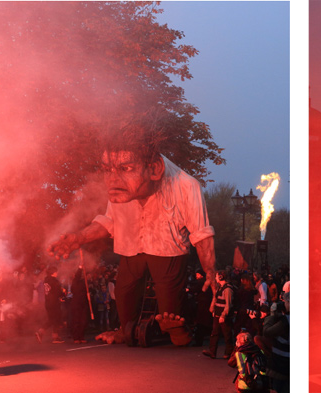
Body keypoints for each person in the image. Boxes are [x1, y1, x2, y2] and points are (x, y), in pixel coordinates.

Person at [47, 123, 216, 346]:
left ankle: (178, 331)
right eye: (108, 169)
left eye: (126, 169)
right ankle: (125, 329)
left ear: (154, 169)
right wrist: (78, 238)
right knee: (123, 291)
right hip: (130, 246)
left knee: (169, 304)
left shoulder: (186, 186)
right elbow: (109, 222)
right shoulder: (120, 192)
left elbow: (201, 234)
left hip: (168, 249)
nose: (113, 179)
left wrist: (211, 270)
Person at [203, 271, 234, 359]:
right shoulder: (220, 287)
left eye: (216, 276)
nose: (215, 278)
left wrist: (223, 315)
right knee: (214, 333)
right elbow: (216, 299)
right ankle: (212, 351)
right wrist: (213, 310)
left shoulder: (228, 289)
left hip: (224, 316)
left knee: (227, 334)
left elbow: (228, 304)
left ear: (220, 277)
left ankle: (228, 353)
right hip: (217, 314)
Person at [37, 266, 65, 344]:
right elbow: (58, 291)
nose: (57, 273)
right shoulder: (54, 281)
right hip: (54, 303)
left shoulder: (46, 280)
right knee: (55, 319)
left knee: (52, 319)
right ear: (53, 273)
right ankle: (47, 334)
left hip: (48, 302)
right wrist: (63, 294)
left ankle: (49, 334)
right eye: (56, 272)